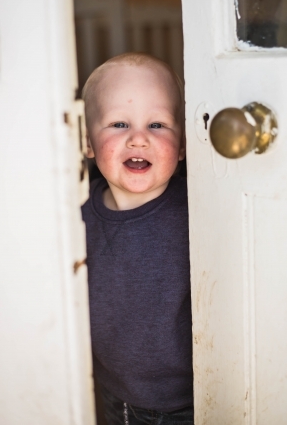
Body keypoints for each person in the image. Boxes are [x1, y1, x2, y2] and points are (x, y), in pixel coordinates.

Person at [81, 53, 193, 425]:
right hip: (116, 398)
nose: (139, 138)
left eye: (158, 124)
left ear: (182, 146)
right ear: (87, 141)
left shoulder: (200, 212)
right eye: (118, 123)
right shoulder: (75, 212)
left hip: (191, 403)